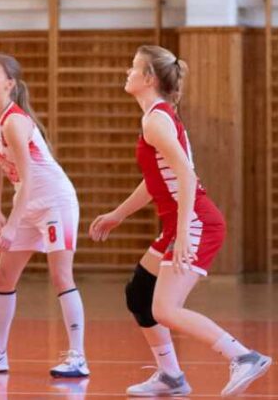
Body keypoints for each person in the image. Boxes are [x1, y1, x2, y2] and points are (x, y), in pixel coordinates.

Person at [90, 45, 271, 397]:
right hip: (180, 220)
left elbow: (187, 177)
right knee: (139, 294)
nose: (127, 73)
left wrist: (186, 230)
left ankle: (244, 356)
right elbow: (157, 179)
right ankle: (170, 376)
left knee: (165, 309)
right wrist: (118, 214)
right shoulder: (157, 117)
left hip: (196, 220)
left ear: (148, 78)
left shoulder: (155, 120)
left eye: (133, 67)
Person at [0, 53, 88, 377]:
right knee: (4, 276)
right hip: (25, 202)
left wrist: (14, 225)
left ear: (10, 84)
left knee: (61, 276)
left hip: (54, 202)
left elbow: (29, 178)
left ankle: (78, 357)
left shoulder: (16, 122)